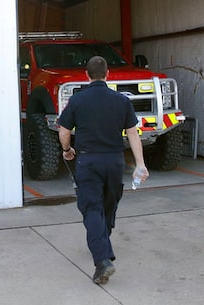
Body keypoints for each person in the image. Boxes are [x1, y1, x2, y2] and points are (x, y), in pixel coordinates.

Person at [57, 55, 149, 284]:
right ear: (108, 74)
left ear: (86, 75)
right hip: (115, 162)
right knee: (108, 204)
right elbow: (133, 133)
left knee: (92, 208)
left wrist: (67, 149)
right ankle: (103, 244)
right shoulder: (121, 101)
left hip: (89, 162)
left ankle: (102, 261)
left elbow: (64, 130)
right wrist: (140, 164)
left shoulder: (78, 100)